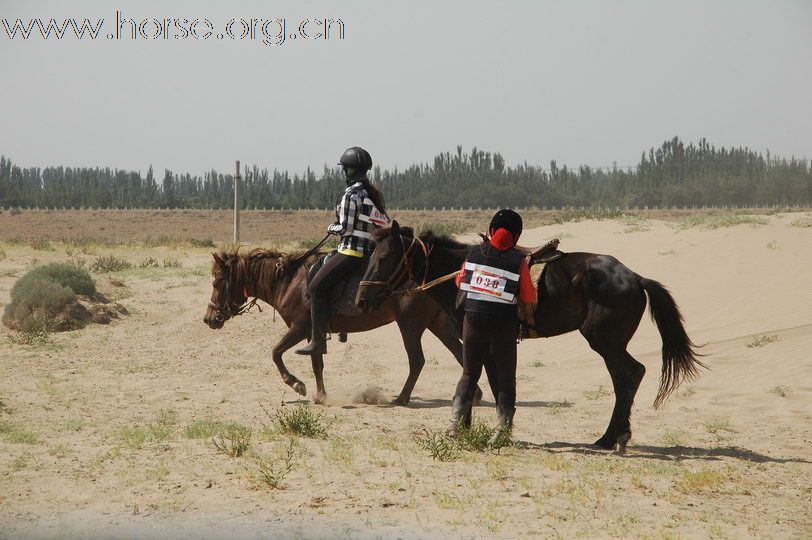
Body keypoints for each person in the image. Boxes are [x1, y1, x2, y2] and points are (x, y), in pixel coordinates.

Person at [448, 209, 537, 442]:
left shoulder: (474, 252)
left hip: (473, 321)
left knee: (469, 374)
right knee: (506, 379)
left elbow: (460, 281)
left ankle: (455, 425)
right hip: (503, 325)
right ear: (516, 237)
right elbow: (528, 296)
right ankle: (502, 431)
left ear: (490, 231)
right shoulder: (519, 261)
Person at [295, 146, 390, 355]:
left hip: (351, 252)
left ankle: (319, 341)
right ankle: (342, 326)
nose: (344, 173)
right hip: (369, 253)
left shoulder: (350, 194)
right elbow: (384, 223)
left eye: (346, 169)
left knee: (317, 287)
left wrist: (331, 227)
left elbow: (344, 228)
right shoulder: (372, 194)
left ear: (350, 171)